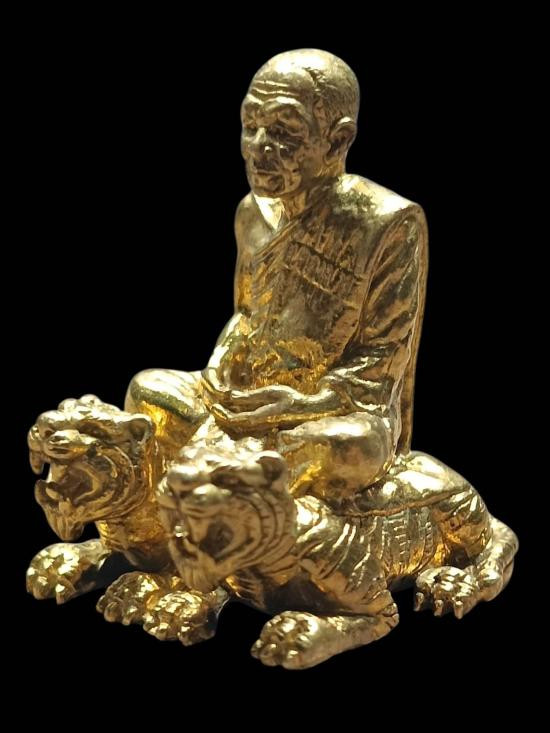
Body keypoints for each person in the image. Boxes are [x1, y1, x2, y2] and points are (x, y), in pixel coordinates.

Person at [126, 49, 429, 506]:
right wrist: (219, 371)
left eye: (284, 132)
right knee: (148, 391)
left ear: (337, 141)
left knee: (350, 447)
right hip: (251, 394)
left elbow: (382, 361)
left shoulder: (387, 223)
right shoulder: (252, 213)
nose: (259, 147)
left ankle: (222, 496)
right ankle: (229, 483)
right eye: (251, 125)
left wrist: (301, 405)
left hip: (326, 412)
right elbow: (247, 315)